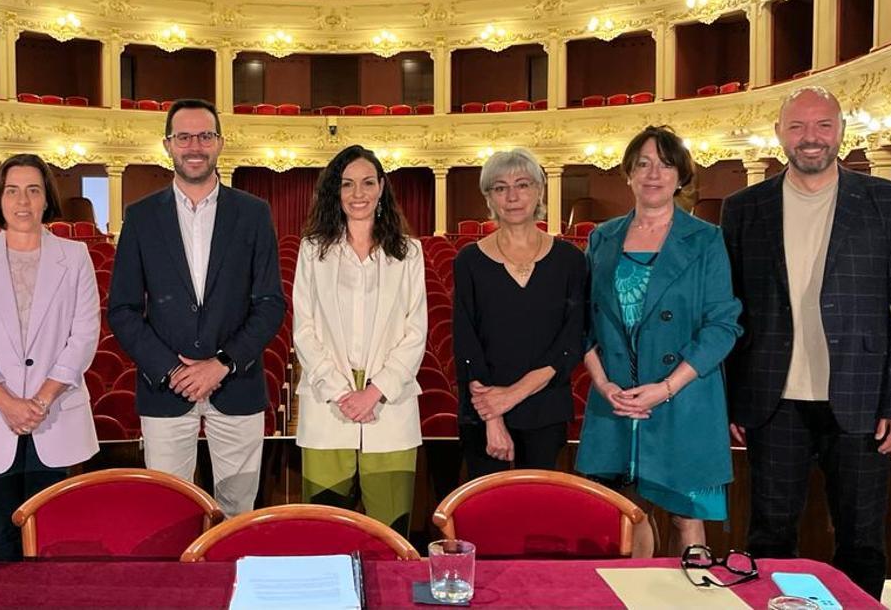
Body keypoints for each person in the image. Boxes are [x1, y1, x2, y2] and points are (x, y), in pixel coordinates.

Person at [720, 86, 891, 598]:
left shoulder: (886, 200)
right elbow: (728, 309)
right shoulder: (744, 207)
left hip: (862, 398)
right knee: (769, 536)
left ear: (840, 131)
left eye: (822, 125)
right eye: (797, 126)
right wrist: (730, 398)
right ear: (779, 134)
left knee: (861, 540)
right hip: (773, 401)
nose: (810, 137)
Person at [107, 98, 285, 517]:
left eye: (205, 136)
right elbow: (123, 309)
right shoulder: (141, 217)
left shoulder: (253, 213)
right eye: (184, 137)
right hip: (165, 388)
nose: (195, 146)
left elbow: (270, 304)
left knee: (237, 510)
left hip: (236, 383)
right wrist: (173, 371)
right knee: (168, 511)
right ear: (167, 145)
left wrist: (222, 364)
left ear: (220, 143)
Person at [576, 126, 742, 556]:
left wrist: (666, 387)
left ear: (681, 176)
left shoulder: (707, 239)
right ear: (628, 173)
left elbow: (722, 326)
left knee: (687, 518)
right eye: (643, 164)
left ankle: (694, 591)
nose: (653, 174)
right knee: (627, 517)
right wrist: (603, 384)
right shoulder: (602, 238)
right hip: (617, 398)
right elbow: (582, 324)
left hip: (683, 396)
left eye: (665, 165)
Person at [0, 154, 100, 561]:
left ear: (46, 198)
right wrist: (7, 402)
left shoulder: (75, 256)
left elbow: (84, 336)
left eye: (33, 190)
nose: (22, 201)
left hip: (54, 414)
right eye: (12, 191)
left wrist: (40, 401)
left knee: (51, 533)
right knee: (0, 532)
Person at [293, 145, 427, 537]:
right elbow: (304, 330)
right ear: (334, 191)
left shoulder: (409, 253)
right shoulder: (312, 251)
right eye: (347, 184)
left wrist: (374, 392)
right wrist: (342, 393)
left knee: (391, 532)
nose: (358, 193)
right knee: (324, 534)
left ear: (382, 187)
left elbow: (415, 331)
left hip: (389, 405)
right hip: (328, 404)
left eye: (368, 183)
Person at [453, 148, 586, 478]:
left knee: (539, 505)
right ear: (489, 197)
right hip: (485, 413)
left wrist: (512, 395)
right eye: (500, 187)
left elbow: (572, 340)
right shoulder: (469, 260)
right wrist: (493, 416)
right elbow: (467, 345)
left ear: (539, 190)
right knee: (487, 504)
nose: (512, 196)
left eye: (522, 185)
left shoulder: (570, 259)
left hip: (546, 408)